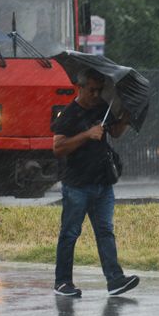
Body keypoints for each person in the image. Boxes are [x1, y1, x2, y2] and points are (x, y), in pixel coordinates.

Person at [51, 68, 139, 297]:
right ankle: (62, 282)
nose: (96, 94)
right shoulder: (69, 114)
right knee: (70, 233)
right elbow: (58, 147)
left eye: (100, 90)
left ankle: (115, 280)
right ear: (80, 87)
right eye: (92, 90)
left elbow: (115, 133)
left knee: (105, 231)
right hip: (77, 185)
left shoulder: (102, 107)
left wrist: (126, 118)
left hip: (102, 183)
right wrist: (86, 135)